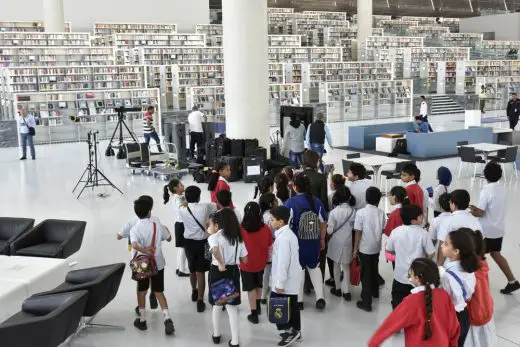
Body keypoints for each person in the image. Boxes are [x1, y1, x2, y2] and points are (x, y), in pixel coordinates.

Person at [368, 258, 460, 347]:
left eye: (410, 274)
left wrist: (373, 343)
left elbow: (391, 324)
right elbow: (454, 326)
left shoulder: (411, 301)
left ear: (416, 278)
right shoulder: (444, 296)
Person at [469, 162, 520, 294]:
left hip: (487, 231)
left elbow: (480, 212)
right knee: (495, 253)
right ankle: (512, 281)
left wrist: (472, 211)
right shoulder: (502, 188)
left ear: (485, 175)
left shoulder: (486, 190)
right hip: (498, 229)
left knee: (475, 256)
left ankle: (474, 286)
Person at [129, 196, 174, 335]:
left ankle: (142, 320)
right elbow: (169, 237)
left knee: (141, 291)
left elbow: (134, 244)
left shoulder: (134, 229)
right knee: (158, 290)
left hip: (141, 264)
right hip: (157, 262)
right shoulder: (156, 224)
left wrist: (144, 250)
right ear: (149, 211)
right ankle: (167, 318)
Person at [284, 172, 327, 310]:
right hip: (313, 242)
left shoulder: (290, 203)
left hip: (298, 244)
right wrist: (321, 239)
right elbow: (323, 222)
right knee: (314, 268)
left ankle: (300, 301)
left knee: (299, 270)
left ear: (295, 187)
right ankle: (320, 298)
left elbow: (286, 225)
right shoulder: (316, 201)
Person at [207, 209, 248, 347]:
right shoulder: (238, 238)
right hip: (233, 272)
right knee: (232, 308)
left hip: (218, 272)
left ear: (218, 224)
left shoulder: (214, 237)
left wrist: (221, 263)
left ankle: (217, 335)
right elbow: (245, 259)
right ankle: (235, 340)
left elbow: (215, 250)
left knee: (217, 306)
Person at [386, 205, 435, 310]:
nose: (422, 218)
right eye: (420, 216)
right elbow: (431, 253)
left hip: (399, 276)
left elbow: (389, 249)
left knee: (398, 304)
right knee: (416, 305)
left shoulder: (396, 231)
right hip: (417, 277)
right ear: (413, 221)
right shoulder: (423, 233)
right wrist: (423, 262)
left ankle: (398, 323)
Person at [178, 186, 217, 313]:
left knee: (192, 270)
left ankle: (193, 291)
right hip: (201, 243)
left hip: (188, 243)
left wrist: (185, 202)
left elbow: (183, 204)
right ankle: (200, 300)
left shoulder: (182, 209)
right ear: (199, 197)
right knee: (201, 272)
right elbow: (215, 206)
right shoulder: (204, 207)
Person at [118, 196, 159, 313]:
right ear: (150, 208)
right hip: (154, 257)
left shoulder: (132, 222)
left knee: (141, 283)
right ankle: (152, 292)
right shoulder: (155, 221)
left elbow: (120, 235)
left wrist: (119, 235)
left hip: (138, 259)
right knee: (152, 274)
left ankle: (141, 308)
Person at [269, 206, 303, 347]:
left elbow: (283, 263)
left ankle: (290, 332)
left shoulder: (283, 238)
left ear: (281, 221)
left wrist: (280, 284)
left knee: (280, 308)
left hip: (284, 281)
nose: (270, 222)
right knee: (292, 306)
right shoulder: (288, 235)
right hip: (291, 280)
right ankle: (296, 331)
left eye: (272, 220)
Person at [440, 229, 479, 347]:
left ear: (456, 251)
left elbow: (443, 301)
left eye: (446, 244)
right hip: (464, 317)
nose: (441, 245)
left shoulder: (446, 275)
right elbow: (468, 297)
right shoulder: (469, 269)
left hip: (450, 318)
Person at [353, 187, 386, 312]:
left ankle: (366, 302)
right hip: (376, 247)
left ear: (366, 198)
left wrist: (355, 249)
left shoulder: (361, 213)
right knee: (374, 269)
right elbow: (383, 229)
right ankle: (375, 292)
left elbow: (358, 232)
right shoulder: (381, 212)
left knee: (365, 274)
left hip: (365, 248)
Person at [239, 202, 273, 324]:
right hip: (261, 263)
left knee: (250, 289)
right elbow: (270, 245)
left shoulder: (241, 229)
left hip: (246, 264)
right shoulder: (265, 229)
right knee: (259, 284)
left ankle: (253, 314)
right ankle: (258, 307)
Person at [464, 228, 497, 347]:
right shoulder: (482, 263)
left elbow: (465, 297)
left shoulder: (468, 273)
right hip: (485, 310)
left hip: (473, 315)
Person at [327, 185, 356, 301]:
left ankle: (337, 289)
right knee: (346, 267)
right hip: (348, 242)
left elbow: (329, 230)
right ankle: (347, 292)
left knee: (336, 265)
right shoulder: (353, 211)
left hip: (335, 241)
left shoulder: (333, 212)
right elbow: (355, 227)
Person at [437, 190, 482, 265]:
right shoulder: (475, 221)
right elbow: (480, 243)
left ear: (453, 205)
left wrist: (439, 265)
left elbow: (442, 245)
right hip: (470, 263)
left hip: (452, 262)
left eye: (450, 203)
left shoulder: (447, 221)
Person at [163, 179, 189, 277]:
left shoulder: (178, 196)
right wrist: (188, 201)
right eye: (181, 185)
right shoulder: (178, 199)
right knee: (183, 248)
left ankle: (179, 267)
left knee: (181, 248)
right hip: (181, 224)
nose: (183, 185)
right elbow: (183, 208)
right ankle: (182, 270)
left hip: (179, 224)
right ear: (176, 188)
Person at [259, 192, 279, 304]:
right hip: (273, 246)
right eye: (275, 199)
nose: (277, 201)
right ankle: (273, 293)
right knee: (273, 271)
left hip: (263, 247)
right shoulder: (272, 217)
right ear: (271, 204)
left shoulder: (261, 216)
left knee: (265, 272)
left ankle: (262, 296)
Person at [429, 193, 452, 264]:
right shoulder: (457, 219)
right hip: (455, 254)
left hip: (440, 255)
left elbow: (432, 241)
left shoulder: (436, 220)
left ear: (440, 206)